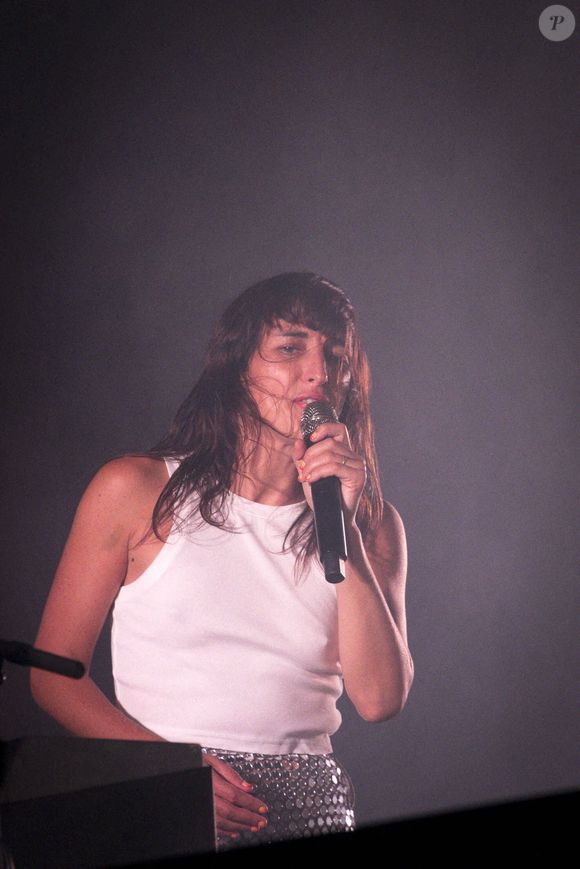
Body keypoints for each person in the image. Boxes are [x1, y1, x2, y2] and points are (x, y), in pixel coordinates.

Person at [31, 271, 413, 850]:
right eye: (290, 348)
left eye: (335, 354)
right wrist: (173, 774)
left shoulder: (374, 524)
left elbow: (381, 700)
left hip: (310, 804)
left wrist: (350, 534)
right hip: (163, 797)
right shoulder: (134, 489)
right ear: (238, 367)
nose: (318, 371)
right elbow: (54, 677)